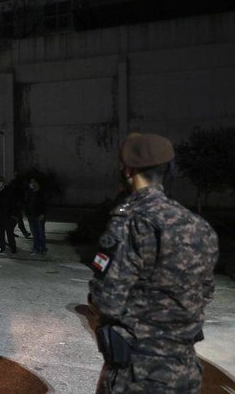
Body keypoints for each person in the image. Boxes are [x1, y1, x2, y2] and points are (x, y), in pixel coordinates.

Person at [88, 133, 219, 394]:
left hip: (138, 374)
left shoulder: (131, 222)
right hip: (185, 370)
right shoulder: (198, 225)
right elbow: (205, 292)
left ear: (128, 170)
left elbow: (108, 301)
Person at [0, 176, 17, 253]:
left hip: (7, 215)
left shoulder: (8, 190)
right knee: (0, 232)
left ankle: (13, 247)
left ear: (3, 183)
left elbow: (13, 203)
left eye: (0, 182)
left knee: (9, 232)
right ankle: (2, 247)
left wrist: (13, 214)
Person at [25, 177, 47, 255]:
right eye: (31, 182)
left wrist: (43, 214)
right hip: (31, 216)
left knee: (41, 234)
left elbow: (45, 205)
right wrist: (27, 213)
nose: (32, 184)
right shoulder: (30, 192)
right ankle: (36, 249)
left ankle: (43, 249)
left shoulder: (42, 193)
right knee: (35, 234)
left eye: (34, 182)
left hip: (39, 216)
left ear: (38, 183)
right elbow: (27, 203)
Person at [8, 171, 31, 239]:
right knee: (18, 218)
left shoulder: (15, 183)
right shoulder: (16, 183)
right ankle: (24, 233)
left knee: (16, 218)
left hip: (16, 203)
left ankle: (11, 232)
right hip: (15, 203)